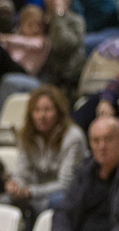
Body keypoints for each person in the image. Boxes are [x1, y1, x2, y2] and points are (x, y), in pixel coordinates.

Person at [0, 0, 87, 105]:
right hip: (28, 71)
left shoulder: (76, 22)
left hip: (56, 83)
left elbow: (61, 46)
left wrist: (57, 16)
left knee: (10, 82)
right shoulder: (38, 19)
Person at [8, 85, 87, 216]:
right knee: (4, 201)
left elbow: (66, 184)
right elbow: (23, 173)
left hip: (65, 194)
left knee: (58, 201)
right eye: (37, 110)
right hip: (35, 193)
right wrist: (16, 185)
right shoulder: (26, 135)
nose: (41, 116)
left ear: (59, 112)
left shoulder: (73, 137)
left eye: (47, 110)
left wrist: (30, 191)